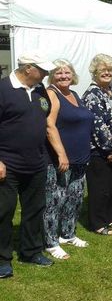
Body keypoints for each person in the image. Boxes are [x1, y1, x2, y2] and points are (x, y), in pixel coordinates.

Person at [0, 53, 56, 279]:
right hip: (8, 163)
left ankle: (31, 251)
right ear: (28, 69)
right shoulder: (3, 89)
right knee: (4, 212)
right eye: (43, 70)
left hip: (36, 162)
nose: (46, 74)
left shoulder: (41, 90)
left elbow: (44, 121)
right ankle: (3, 259)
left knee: (35, 209)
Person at [44, 59, 94, 260]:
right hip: (60, 159)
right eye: (59, 73)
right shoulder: (52, 93)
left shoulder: (74, 94)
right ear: (52, 76)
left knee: (74, 198)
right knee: (54, 200)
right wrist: (61, 154)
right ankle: (50, 242)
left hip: (80, 158)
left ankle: (67, 234)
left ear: (73, 75)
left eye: (67, 72)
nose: (64, 76)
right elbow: (49, 125)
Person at [82, 54, 112, 236]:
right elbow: (97, 124)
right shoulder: (93, 94)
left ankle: (110, 218)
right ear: (95, 72)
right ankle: (98, 223)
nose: (107, 73)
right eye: (103, 70)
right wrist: (109, 148)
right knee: (100, 188)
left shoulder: (111, 91)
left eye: (110, 70)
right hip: (100, 150)